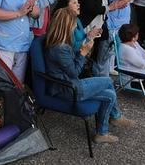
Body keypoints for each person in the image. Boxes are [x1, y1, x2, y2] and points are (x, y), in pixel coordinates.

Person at [44, 8, 134, 144]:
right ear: (66, 26)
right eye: (73, 25)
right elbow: (74, 72)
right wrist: (83, 53)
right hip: (67, 88)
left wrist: (88, 40)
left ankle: (103, 133)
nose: (75, 28)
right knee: (108, 81)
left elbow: (71, 59)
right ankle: (115, 117)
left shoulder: (60, 43)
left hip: (69, 83)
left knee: (110, 95)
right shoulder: (60, 48)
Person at [78, 0, 126, 77]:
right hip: (86, 26)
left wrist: (113, 7)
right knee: (82, 51)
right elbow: (92, 8)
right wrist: (110, 7)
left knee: (91, 54)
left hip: (97, 29)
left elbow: (104, 9)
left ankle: (87, 74)